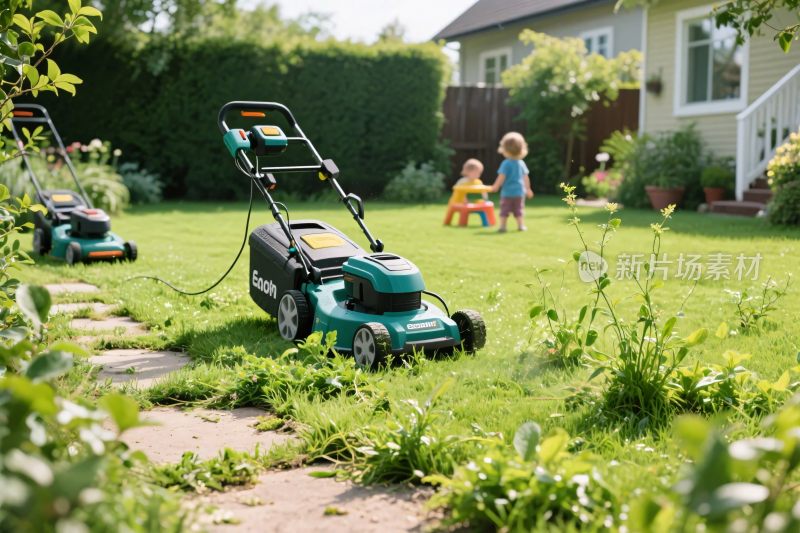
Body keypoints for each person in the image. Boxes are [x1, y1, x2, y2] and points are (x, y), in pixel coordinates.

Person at [490, 132, 533, 232]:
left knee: (504, 210)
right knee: (519, 210)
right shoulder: (521, 163)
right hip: (519, 192)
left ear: (505, 149)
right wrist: (528, 189)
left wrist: (495, 186)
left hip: (507, 193)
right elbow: (525, 177)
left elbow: (501, 177)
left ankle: (502, 226)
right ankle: (521, 225)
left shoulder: (506, 163)